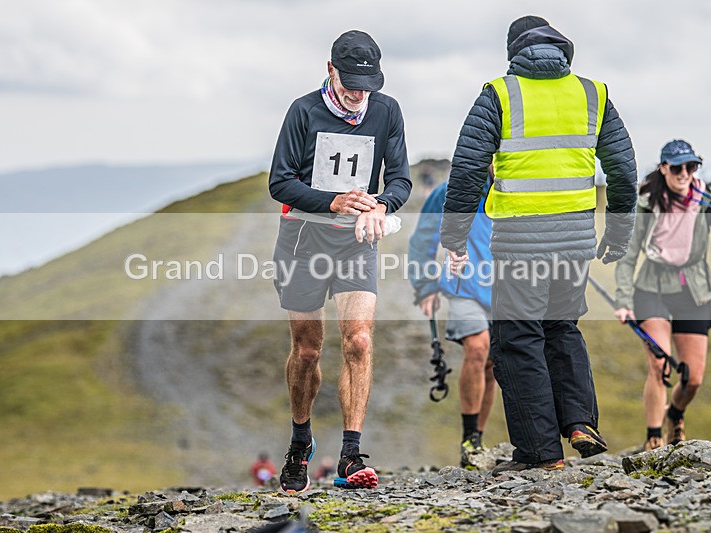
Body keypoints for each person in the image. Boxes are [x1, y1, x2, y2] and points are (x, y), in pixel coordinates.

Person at [440, 16, 638, 475]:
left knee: (518, 340)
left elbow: (468, 169)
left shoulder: (500, 93)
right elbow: (624, 172)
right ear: (561, 49)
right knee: (562, 327)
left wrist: (454, 237)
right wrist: (619, 233)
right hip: (574, 243)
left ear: (514, 52)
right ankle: (580, 421)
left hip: (519, 244)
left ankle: (538, 451)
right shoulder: (594, 94)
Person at [268, 30, 412, 494]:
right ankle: (300, 442)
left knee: (360, 341)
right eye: (350, 83)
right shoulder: (302, 111)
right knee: (308, 350)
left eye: (366, 85)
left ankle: (351, 454)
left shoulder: (386, 110)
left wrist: (382, 206)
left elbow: (402, 180)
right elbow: (280, 183)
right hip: (302, 241)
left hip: (354, 243)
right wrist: (332, 202)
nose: (358, 94)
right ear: (330, 70)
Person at [614, 139, 711, 451]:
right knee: (660, 363)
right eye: (677, 167)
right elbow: (628, 255)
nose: (684, 173)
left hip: (694, 289)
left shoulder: (705, 197)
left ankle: (674, 414)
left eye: (691, 166)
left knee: (692, 378)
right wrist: (623, 300)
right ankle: (653, 438)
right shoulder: (647, 201)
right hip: (652, 287)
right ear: (663, 168)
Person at [408, 176, 496, 468]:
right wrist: (425, 286)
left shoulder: (515, 187)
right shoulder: (448, 191)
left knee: (492, 364)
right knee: (478, 347)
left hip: (506, 288)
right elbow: (423, 239)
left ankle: (477, 439)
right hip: (463, 286)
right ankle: (469, 438)